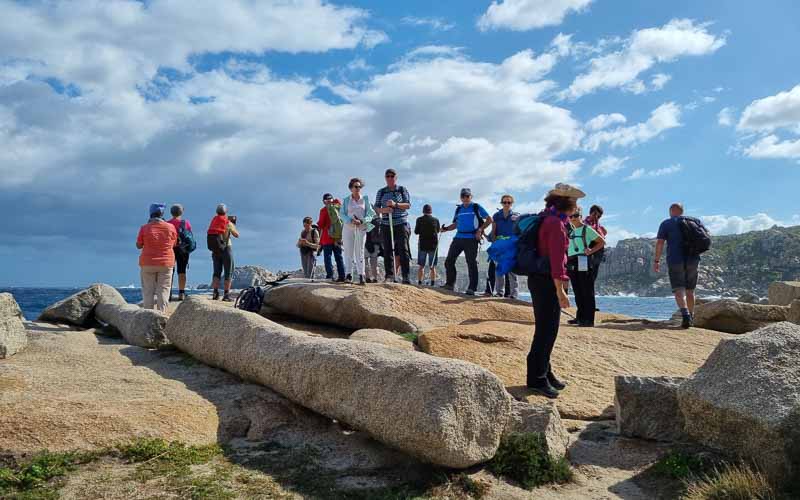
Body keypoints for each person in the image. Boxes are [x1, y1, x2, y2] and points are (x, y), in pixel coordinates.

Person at [527, 183, 584, 399]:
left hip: (540, 280)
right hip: (547, 282)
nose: (578, 207)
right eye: (575, 203)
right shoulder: (556, 225)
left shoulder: (548, 218)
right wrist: (561, 291)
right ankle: (537, 379)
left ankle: (545, 372)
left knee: (546, 330)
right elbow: (557, 261)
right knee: (546, 332)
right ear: (567, 204)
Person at [654, 203, 700, 328]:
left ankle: (685, 316)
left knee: (679, 289)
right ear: (682, 211)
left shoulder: (666, 223)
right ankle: (691, 316)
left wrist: (656, 261)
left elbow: (660, 243)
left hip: (675, 260)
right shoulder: (695, 221)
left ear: (670, 211)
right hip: (693, 259)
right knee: (690, 290)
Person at [440, 188, 492, 295]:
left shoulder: (476, 207)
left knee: (471, 263)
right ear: (460, 197)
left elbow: (489, 220)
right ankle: (450, 284)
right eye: (463, 196)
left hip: (472, 239)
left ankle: (472, 288)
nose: (465, 198)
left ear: (471, 197)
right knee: (449, 261)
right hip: (458, 237)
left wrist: (480, 230)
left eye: (467, 196)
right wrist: (446, 229)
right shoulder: (458, 209)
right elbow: (456, 224)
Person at [566, 207, 605, 327]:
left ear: (581, 216)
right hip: (572, 261)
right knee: (577, 290)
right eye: (571, 216)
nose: (573, 218)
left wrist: (591, 250)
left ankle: (588, 320)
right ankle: (580, 317)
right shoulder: (571, 231)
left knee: (586, 290)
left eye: (576, 216)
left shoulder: (586, 229)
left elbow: (601, 241)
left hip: (583, 260)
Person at [136, 203, 177, 313]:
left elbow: (139, 245)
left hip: (147, 262)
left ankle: (148, 315)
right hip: (166, 262)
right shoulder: (171, 227)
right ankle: (161, 314)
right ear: (162, 214)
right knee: (163, 290)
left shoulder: (144, 228)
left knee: (148, 291)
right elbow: (174, 243)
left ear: (150, 214)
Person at [375, 168, 412, 283]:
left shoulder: (402, 190)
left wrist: (395, 204)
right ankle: (389, 275)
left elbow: (408, 205)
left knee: (403, 249)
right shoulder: (381, 192)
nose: (390, 178)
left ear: (396, 177)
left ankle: (406, 276)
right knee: (387, 250)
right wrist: (384, 210)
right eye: (388, 176)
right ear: (385, 178)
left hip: (401, 223)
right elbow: (376, 208)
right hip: (386, 223)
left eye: (392, 176)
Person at [341, 178, 376, 285]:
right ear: (351, 188)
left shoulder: (365, 199)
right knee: (348, 251)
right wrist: (350, 220)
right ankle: (348, 274)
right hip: (348, 228)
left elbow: (371, 214)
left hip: (361, 228)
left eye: (359, 187)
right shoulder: (346, 200)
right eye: (355, 186)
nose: (358, 189)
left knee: (360, 251)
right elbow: (342, 214)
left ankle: (361, 275)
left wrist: (362, 220)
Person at [491, 194, 520, 299]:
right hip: (499, 244)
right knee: (500, 269)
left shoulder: (516, 216)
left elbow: (519, 231)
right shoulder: (496, 216)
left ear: (512, 203)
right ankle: (499, 292)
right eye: (504, 202)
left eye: (509, 202)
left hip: (511, 244)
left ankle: (514, 294)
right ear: (501, 203)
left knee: (512, 269)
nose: (506, 204)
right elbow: (493, 230)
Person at [207, 204, 237, 301]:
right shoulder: (228, 222)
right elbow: (236, 235)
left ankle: (215, 293)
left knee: (216, 272)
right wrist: (233, 224)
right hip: (226, 248)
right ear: (225, 212)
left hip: (216, 249)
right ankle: (226, 295)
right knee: (229, 272)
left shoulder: (214, 221)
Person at [317, 193, 346, 282]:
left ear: (324, 201)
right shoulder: (338, 207)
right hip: (337, 237)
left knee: (328, 257)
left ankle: (330, 276)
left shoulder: (324, 210)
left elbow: (321, 223)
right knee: (339, 256)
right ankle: (342, 276)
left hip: (327, 237)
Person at [167, 204, 192, 301]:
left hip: (171, 248)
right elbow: (190, 236)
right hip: (183, 249)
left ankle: (168, 293)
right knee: (182, 271)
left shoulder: (167, 223)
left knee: (170, 271)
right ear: (181, 212)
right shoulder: (185, 223)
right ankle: (181, 293)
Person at [414, 204, 441, 285]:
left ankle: (419, 282)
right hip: (433, 245)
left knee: (421, 266)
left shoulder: (419, 219)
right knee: (432, 266)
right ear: (431, 211)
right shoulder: (436, 220)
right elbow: (438, 230)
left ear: (423, 211)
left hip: (422, 245)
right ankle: (432, 283)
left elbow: (416, 232)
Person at [584, 205, 608, 283]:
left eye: (599, 216)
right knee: (584, 278)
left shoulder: (599, 226)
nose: (596, 217)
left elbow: (603, 237)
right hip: (586, 256)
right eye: (595, 214)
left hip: (596, 257)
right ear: (590, 213)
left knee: (592, 279)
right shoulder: (584, 224)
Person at [364, 214, 382, 283]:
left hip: (365, 243)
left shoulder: (365, 220)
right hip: (376, 244)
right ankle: (375, 278)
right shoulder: (378, 221)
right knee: (374, 262)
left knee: (365, 261)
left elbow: (366, 233)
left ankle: (367, 278)